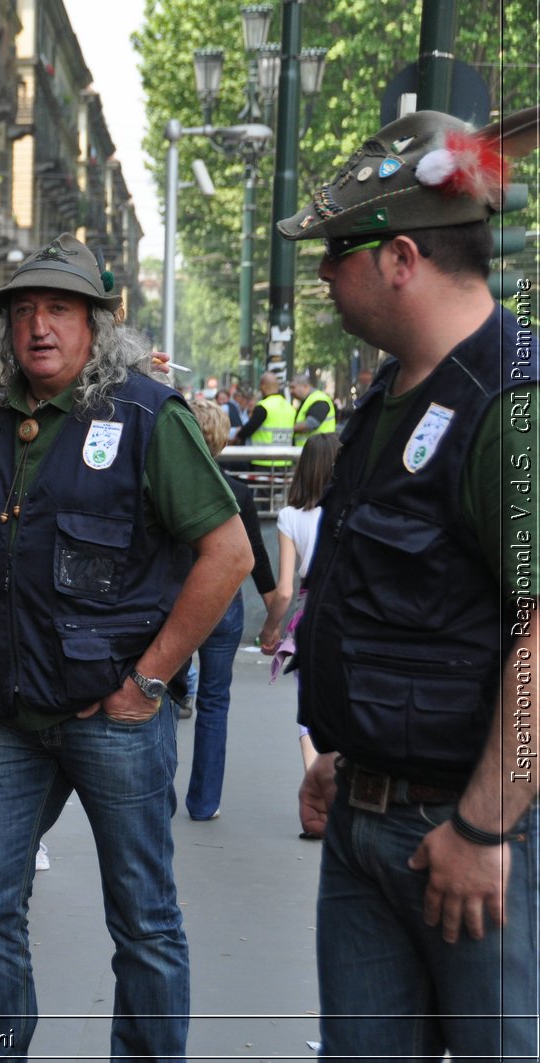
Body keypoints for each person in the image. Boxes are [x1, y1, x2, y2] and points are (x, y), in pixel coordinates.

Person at [0, 232, 252, 1060]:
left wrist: (148, 682)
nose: (37, 326)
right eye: (22, 311)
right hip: (10, 711)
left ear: (97, 323)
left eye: (57, 309)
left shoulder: (149, 416)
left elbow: (229, 554)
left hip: (113, 715)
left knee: (144, 920)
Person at [277, 108, 538, 1058]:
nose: (321, 273)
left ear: (398, 258)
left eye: (336, 251)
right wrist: (351, 752)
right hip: (368, 819)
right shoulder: (391, 398)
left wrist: (485, 824)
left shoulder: (513, 404)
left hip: (477, 834)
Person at [183, 397, 278, 822]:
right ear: (222, 440)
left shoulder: (166, 485)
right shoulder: (237, 490)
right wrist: (275, 615)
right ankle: (204, 802)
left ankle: (154, 795)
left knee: (162, 697)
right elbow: (255, 555)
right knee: (215, 703)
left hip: (176, 603)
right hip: (224, 606)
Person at [255, 433, 341, 789]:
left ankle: (314, 786)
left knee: (310, 708)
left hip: (312, 612)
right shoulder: (352, 508)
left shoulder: (290, 516)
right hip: (350, 609)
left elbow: (286, 590)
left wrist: (270, 630)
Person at [233, 370, 295, 470]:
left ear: (263, 386)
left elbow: (249, 429)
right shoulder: (289, 407)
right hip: (284, 462)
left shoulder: (263, 406)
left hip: (263, 461)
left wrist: (238, 435)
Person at [288, 372, 336, 445]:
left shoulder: (319, 399)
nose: (290, 391)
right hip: (310, 449)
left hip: (319, 450)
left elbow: (310, 424)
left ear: (305, 386)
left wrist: (287, 429)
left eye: (293, 387)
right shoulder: (307, 400)